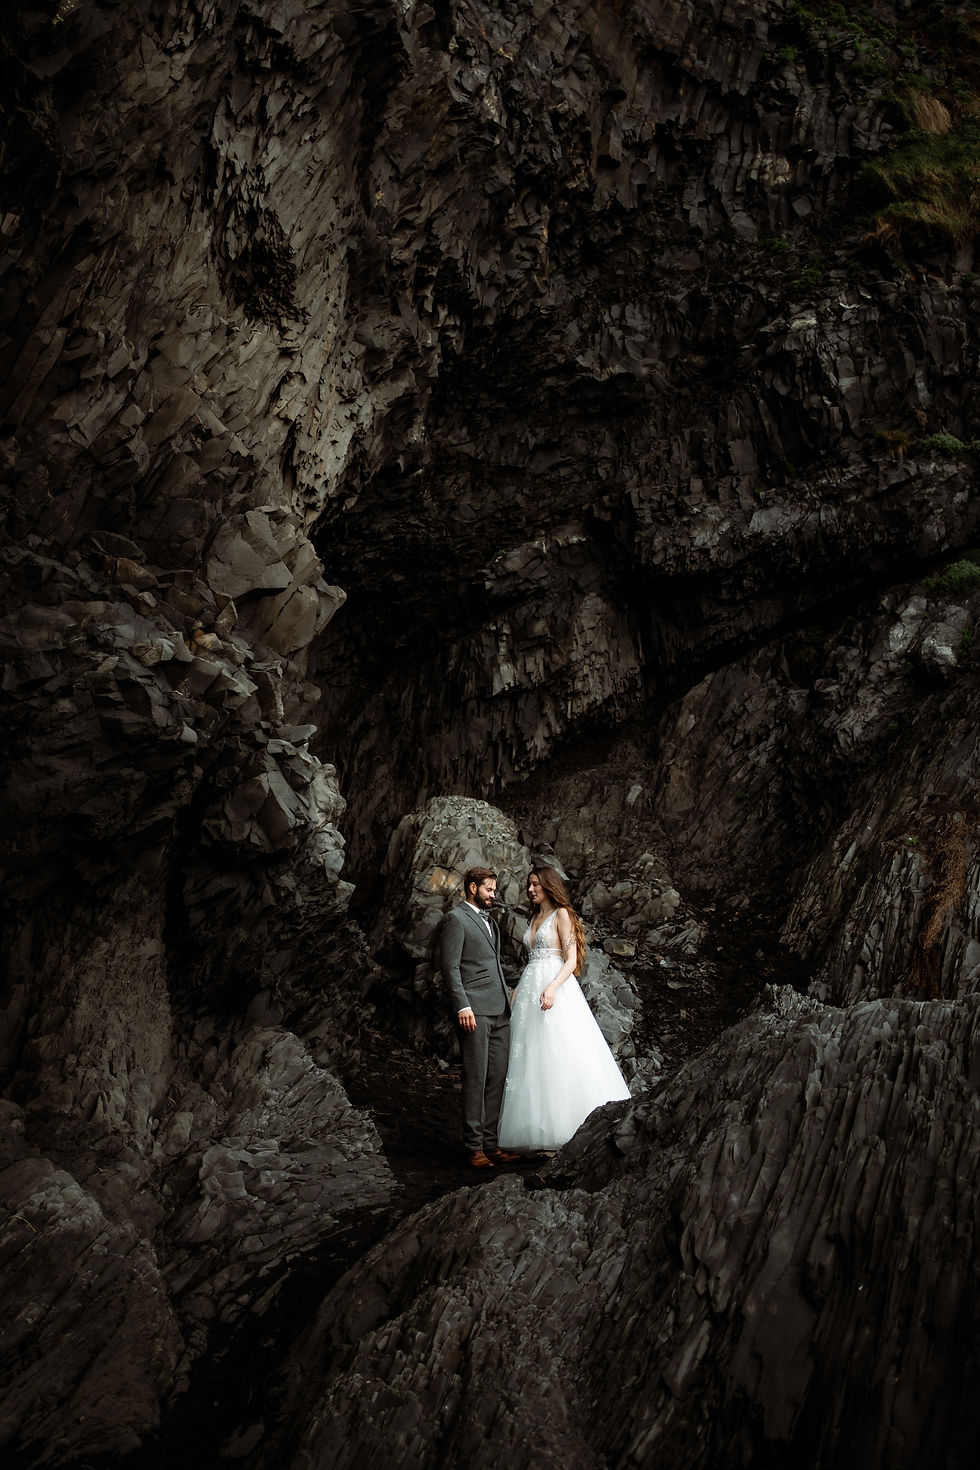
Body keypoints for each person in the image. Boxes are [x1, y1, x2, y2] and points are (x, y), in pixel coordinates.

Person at [497, 866, 630, 1152]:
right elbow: (531, 960)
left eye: (536, 884)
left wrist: (552, 988)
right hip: (530, 987)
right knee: (531, 1056)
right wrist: (518, 990)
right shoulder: (534, 917)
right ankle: (536, 1128)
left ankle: (567, 1127)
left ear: (548, 885)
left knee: (558, 1052)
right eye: (529, 885)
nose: (531, 889)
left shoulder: (562, 914)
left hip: (554, 987)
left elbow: (571, 960)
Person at [438, 866, 520, 1170]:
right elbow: (451, 968)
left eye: (494, 890)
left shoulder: (491, 923)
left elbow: (495, 965)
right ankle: (473, 1147)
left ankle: (491, 1143)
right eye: (489, 890)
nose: (493, 895)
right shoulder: (455, 920)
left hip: (500, 1010)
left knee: (497, 1078)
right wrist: (462, 1006)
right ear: (472, 887)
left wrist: (528, 979)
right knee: (476, 1078)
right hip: (474, 1012)